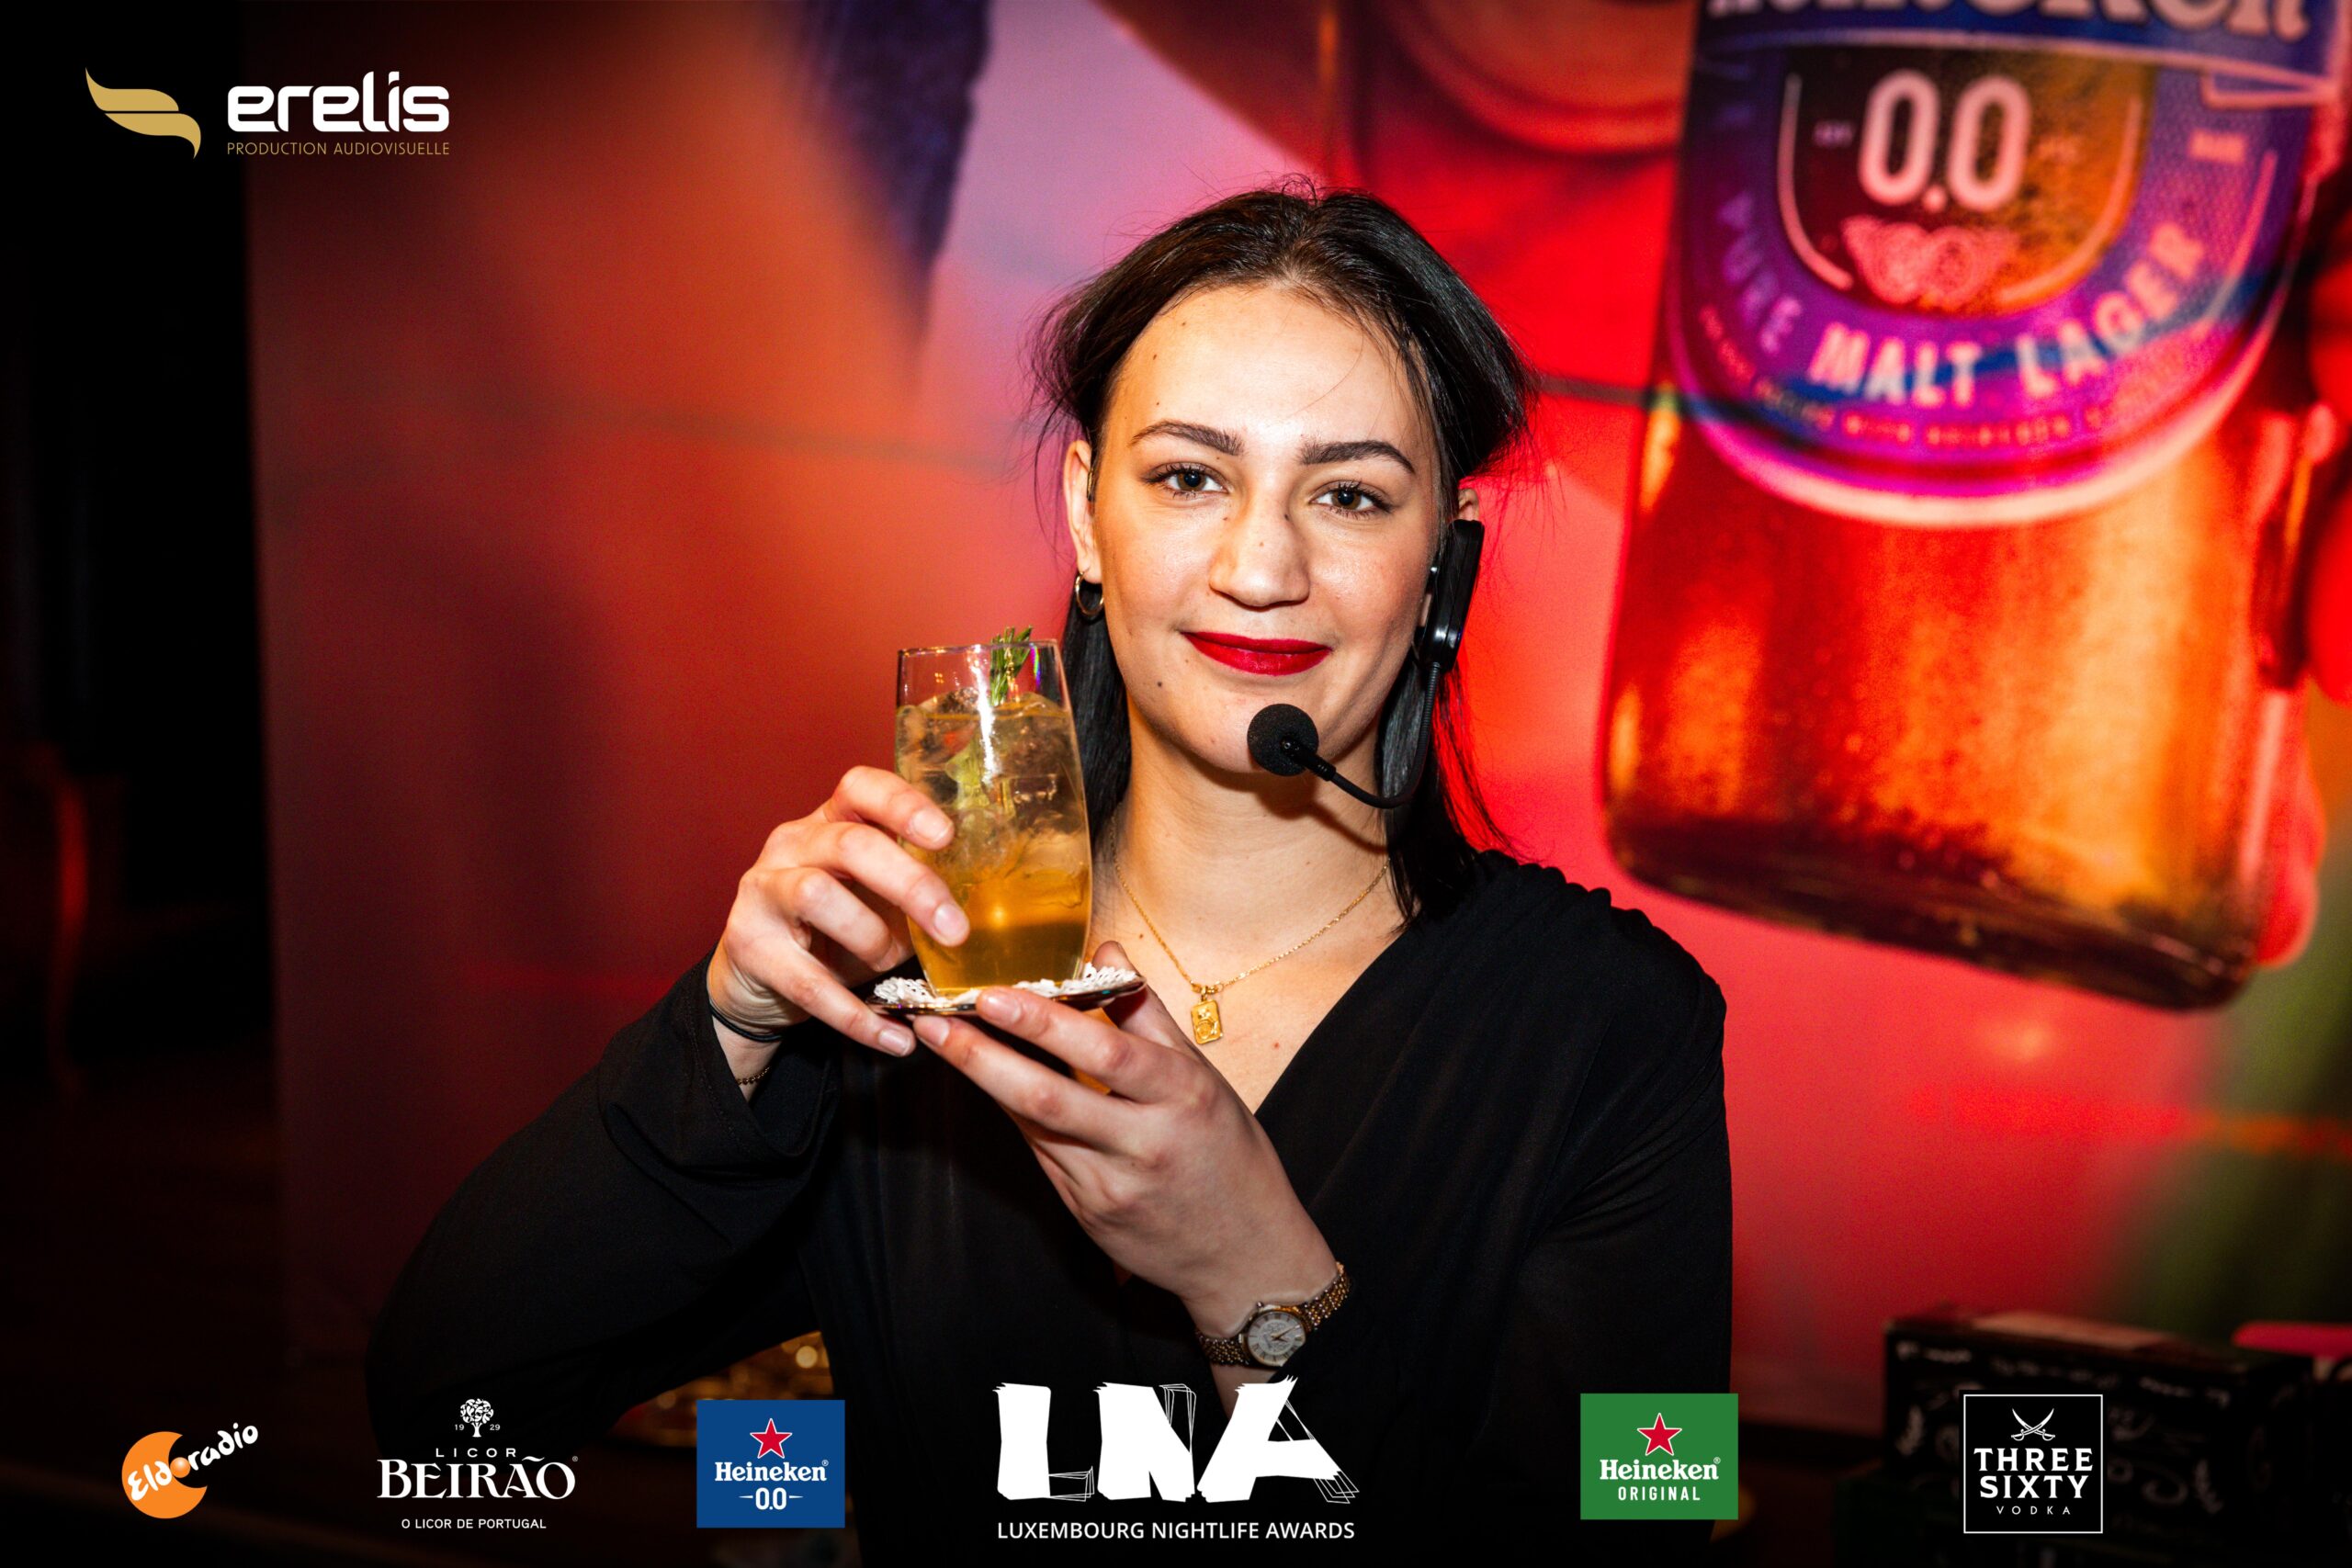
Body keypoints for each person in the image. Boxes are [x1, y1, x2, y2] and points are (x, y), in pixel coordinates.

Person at [366, 181, 1731, 1561]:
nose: (1262, 565)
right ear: (1086, 512)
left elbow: (1649, 1528)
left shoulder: (1615, 1028)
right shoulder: (900, 993)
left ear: (1446, 556)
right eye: (1189, 477)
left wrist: (1260, 1288)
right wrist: (724, 1031)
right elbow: (448, 1403)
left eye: (1350, 494)